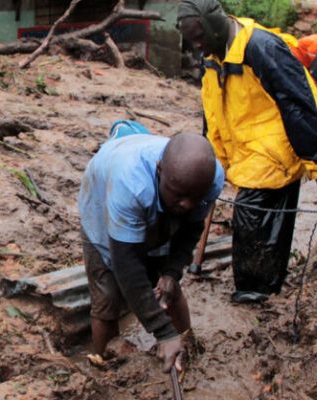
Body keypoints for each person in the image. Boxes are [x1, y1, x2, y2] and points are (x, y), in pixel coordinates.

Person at [177, 0, 317, 303]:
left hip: (274, 148)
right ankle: (265, 284)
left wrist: (316, 156)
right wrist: (213, 159)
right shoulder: (212, 54)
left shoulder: (261, 47)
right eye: (191, 40)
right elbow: (212, 110)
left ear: (213, 25)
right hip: (245, 148)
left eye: (199, 37)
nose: (197, 46)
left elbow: (299, 100)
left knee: (252, 216)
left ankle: (256, 292)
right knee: (267, 224)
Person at [78, 123, 224, 373]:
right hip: (103, 202)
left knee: (168, 289)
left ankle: (185, 349)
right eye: (179, 195)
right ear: (159, 171)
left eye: (194, 197)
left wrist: (171, 273)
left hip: (154, 199)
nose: (188, 204)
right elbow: (126, 265)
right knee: (108, 295)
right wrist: (163, 332)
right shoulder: (131, 185)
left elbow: (191, 229)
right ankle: (106, 369)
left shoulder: (208, 180)